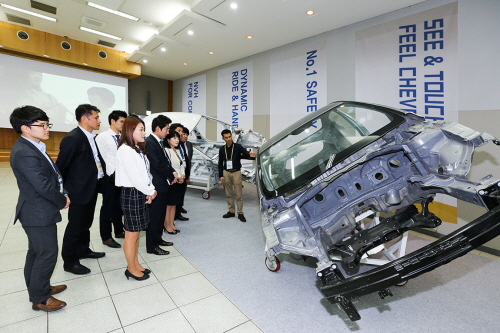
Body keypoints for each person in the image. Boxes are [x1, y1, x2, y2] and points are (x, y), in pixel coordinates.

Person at [9, 106, 70, 312]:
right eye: (41, 125)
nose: (47, 129)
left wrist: (63, 192)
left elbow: (52, 175)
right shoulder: (24, 152)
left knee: (36, 252)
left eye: (47, 124)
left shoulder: (34, 146)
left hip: (38, 208)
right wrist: (61, 200)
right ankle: (40, 298)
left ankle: (39, 288)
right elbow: (42, 185)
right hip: (37, 211)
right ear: (25, 128)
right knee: (47, 253)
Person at [56, 104, 106, 275]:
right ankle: (69, 261)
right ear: (85, 118)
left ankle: (83, 250)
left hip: (91, 187)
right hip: (78, 190)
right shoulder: (73, 138)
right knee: (75, 227)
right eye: (96, 117)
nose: (99, 121)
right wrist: (65, 190)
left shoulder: (91, 136)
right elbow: (61, 167)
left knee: (86, 223)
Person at [115, 116, 156, 280]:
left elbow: (145, 174)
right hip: (132, 192)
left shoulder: (136, 148)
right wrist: (151, 191)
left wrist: (150, 189)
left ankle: (136, 263)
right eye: (141, 129)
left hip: (139, 191)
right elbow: (134, 178)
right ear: (130, 130)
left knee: (137, 232)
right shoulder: (125, 150)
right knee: (131, 235)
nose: (144, 133)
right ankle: (131, 268)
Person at [145, 115, 177, 255]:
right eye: (166, 129)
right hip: (156, 184)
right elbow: (156, 165)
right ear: (158, 128)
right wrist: (171, 175)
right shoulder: (150, 142)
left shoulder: (158, 141)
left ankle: (158, 239)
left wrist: (173, 172)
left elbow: (165, 162)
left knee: (160, 215)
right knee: (155, 216)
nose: (168, 132)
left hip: (163, 184)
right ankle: (151, 246)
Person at [95, 110, 128, 248]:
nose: (124, 124)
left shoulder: (123, 137)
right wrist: (110, 176)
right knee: (107, 207)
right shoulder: (102, 137)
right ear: (112, 121)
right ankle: (106, 236)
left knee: (119, 206)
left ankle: (119, 230)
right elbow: (101, 159)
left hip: (122, 176)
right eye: (121, 121)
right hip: (109, 178)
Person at [218, 129, 255, 222]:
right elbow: (220, 162)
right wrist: (220, 175)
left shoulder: (237, 146)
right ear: (223, 138)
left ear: (232, 136)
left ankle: (240, 213)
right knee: (228, 194)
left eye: (230, 137)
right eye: (226, 138)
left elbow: (245, 152)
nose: (229, 139)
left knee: (238, 194)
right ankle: (231, 211)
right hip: (226, 173)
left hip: (236, 172)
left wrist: (250, 154)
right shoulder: (222, 149)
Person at [164, 131, 185, 234]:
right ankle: (167, 225)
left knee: (174, 205)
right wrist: (176, 176)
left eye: (178, 138)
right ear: (168, 140)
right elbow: (168, 167)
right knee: (169, 205)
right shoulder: (166, 151)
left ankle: (172, 223)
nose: (177, 140)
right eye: (174, 138)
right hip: (171, 181)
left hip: (178, 181)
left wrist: (182, 175)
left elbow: (181, 165)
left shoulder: (176, 151)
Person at [170, 123, 192, 221]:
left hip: (183, 174)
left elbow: (185, 161)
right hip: (175, 175)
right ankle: (173, 216)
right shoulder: (171, 147)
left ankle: (177, 213)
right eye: (179, 131)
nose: (182, 134)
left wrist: (187, 174)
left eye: (182, 132)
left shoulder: (183, 145)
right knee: (174, 198)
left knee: (180, 194)